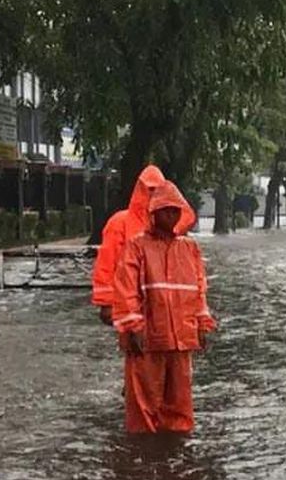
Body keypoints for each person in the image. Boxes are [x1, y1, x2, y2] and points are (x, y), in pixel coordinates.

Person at [112, 181, 216, 434]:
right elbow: (126, 290)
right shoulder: (137, 246)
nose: (172, 215)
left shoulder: (189, 248)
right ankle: (145, 452)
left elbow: (198, 289)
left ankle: (175, 446)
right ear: (154, 213)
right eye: (166, 210)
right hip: (147, 338)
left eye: (175, 210)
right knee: (143, 404)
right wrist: (133, 327)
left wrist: (202, 325)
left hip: (181, 338)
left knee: (180, 403)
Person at [91, 165, 166, 325]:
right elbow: (106, 263)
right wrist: (106, 303)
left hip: (161, 305)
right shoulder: (120, 222)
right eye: (150, 189)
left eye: (157, 190)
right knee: (134, 345)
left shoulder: (168, 225)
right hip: (128, 302)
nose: (153, 195)